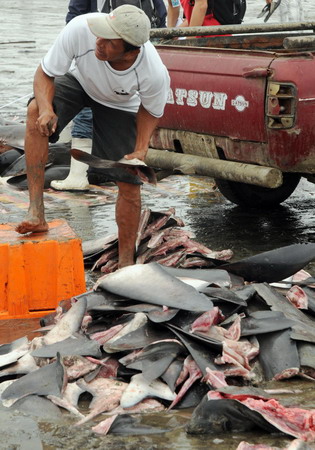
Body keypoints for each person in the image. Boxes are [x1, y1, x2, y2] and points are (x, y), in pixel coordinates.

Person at [15, 5, 170, 269]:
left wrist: (140, 150)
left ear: (131, 52)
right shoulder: (81, 28)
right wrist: (45, 109)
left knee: (130, 180)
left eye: (109, 42)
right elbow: (45, 72)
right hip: (80, 82)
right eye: (100, 35)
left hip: (120, 104)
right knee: (33, 114)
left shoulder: (153, 72)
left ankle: (125, 263)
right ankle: (36, 212)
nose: (99, 42)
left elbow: (150, 110)